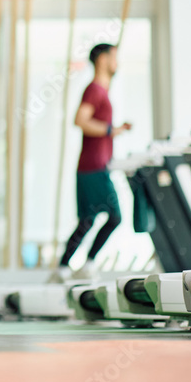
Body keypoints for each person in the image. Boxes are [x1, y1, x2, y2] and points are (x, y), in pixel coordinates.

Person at [52, 43, 131, 282]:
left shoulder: (101, 91)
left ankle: (64, 268)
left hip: (94, 164)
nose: (117, 62)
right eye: (114, 57)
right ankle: (86, 263)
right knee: (115, 216)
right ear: (102, 60)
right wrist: (111, 130)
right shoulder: (95, 90)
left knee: (87, 220)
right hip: (93, 166)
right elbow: (80, 120)